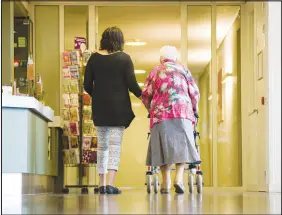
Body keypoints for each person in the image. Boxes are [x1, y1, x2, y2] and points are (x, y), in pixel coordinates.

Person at [84, 26, 142, 195]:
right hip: (119, 108)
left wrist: (99, 95)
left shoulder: (94, 59)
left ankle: (101, 184)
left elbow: (87, 85)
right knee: (114, 145)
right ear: (119, 41)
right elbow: (132, 85)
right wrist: (146, 98)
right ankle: (110, 183)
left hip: (100, 108)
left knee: (102, 146)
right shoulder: (124, 59)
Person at [141, 45, 201, 194]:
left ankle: (165, 182)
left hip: (161, 114)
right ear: (175, 58)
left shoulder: (155, 71)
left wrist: (151, 109)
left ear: (161, 59)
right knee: (182, 146)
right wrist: (194, 109)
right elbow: (194, 93)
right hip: (183, 112)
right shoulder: (184, 70)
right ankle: (178, 179)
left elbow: (146, 95)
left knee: (163, 147)